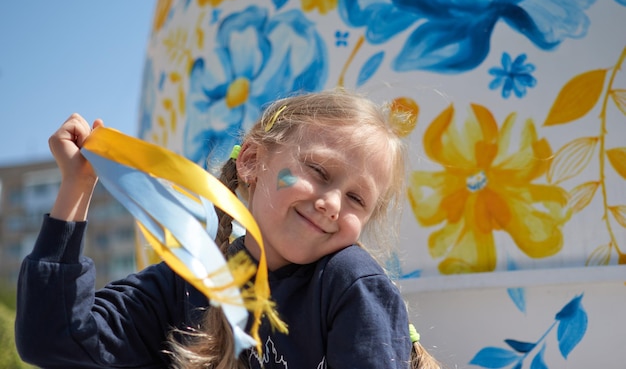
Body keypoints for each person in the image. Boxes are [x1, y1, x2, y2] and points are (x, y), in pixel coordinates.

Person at [15, 89, 441, 369]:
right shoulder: (189, 283)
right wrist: (77, 185)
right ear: (252, 161)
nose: (332, 203)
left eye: (357, 199)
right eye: (318, 170)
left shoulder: (351, 283)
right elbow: (52, 338)